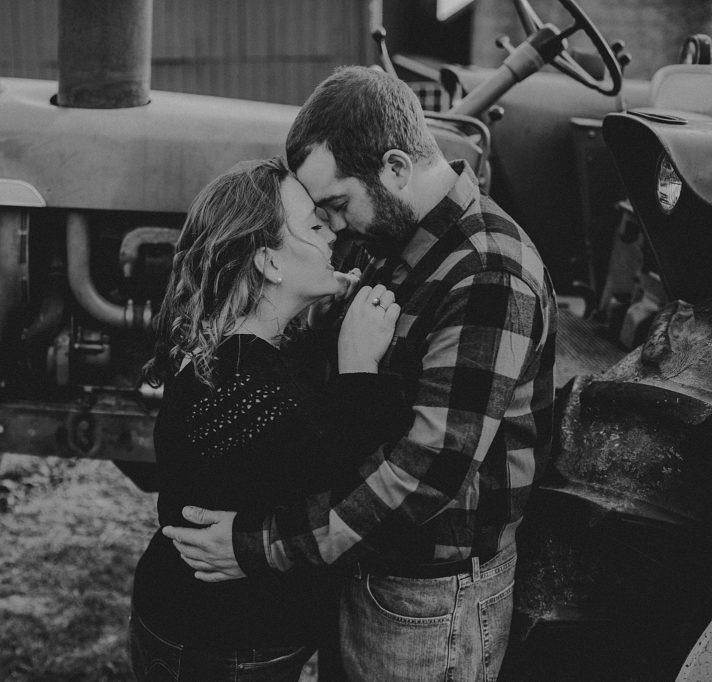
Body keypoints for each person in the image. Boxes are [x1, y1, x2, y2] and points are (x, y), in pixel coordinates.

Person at [163, 66, 558, 680]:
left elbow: (426, 474)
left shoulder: (486, 275)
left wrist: (261, 544)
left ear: (397, 168)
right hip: (360, 563)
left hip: (425, 596)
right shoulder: (398, 243)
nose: (335, 226)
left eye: (338, 204)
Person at [130, 156, 407, 681]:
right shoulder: (240, 386)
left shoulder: (244, 355)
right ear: (269, 264)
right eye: (314, 226)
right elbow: (332, 468)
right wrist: (359, 366)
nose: (333, 235)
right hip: (219, 642)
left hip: (210, 629)